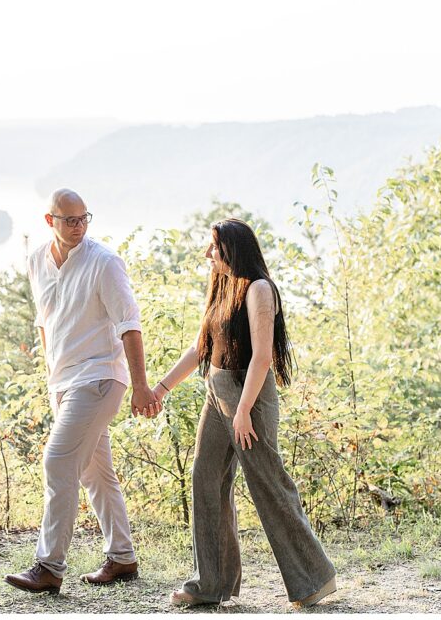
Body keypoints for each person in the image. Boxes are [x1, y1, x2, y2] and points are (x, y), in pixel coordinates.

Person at [151, 218, 337, 608]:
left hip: (246, 394)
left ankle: (314, 578)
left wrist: (244, 410)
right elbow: (201, 348)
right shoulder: (222, 287)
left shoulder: (259, 289)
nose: (208, 253)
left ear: (233, 249)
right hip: (216, 390)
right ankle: (212, 584)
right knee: (206, 479)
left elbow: (263, 356)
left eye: (214, 247)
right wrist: (161, 388)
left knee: (268, 482)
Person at [4, 188, 160, 595]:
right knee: (96, 474)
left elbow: (129, 323)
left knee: (57, 461)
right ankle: (123, 558)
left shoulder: (104, 263)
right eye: (69, 220)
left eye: (83, 219)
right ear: (49, 220)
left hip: (100, 377)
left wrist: (141, 385)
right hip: (64, 382)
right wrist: (49, 376)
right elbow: (44, 320)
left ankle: (49, 566)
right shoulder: (37, 259)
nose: (77, 227)